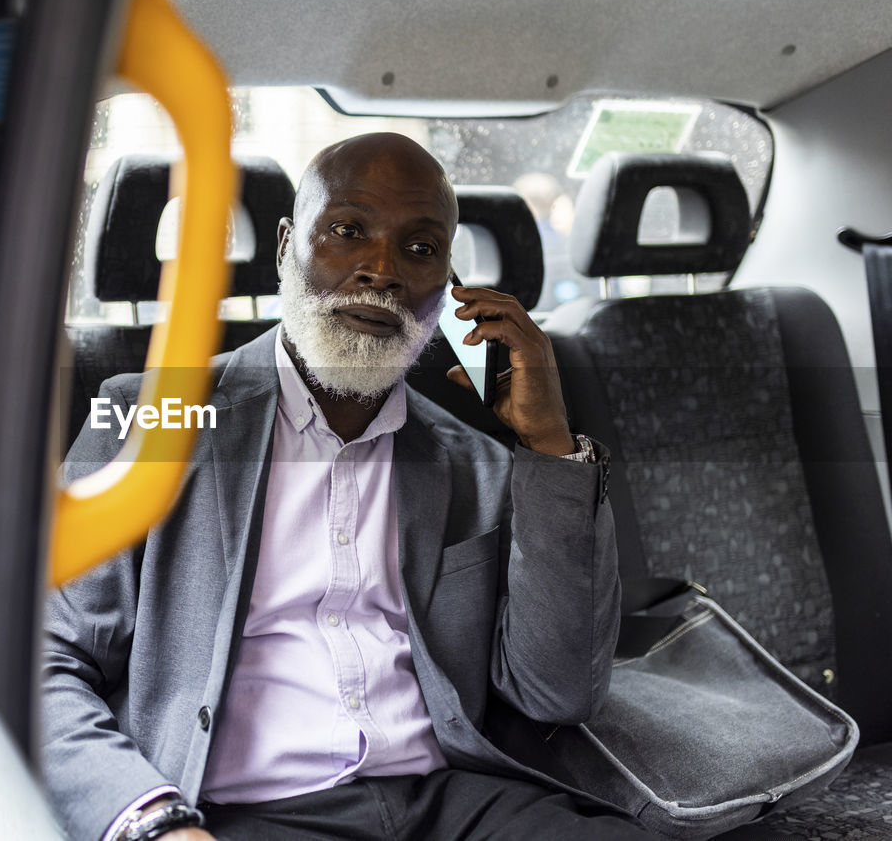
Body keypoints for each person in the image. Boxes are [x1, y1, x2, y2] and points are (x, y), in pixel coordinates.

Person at [43, 132, 648, 840]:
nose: (381, 270)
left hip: (452, 800)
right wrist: (150, 820)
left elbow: (560, 692)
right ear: (283, 247)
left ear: (449, 288)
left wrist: (547, 448)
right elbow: (45, 663)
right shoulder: (155, 419)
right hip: (238, 813)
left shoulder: (477, 465)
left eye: (419, 249)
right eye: (346, 231)